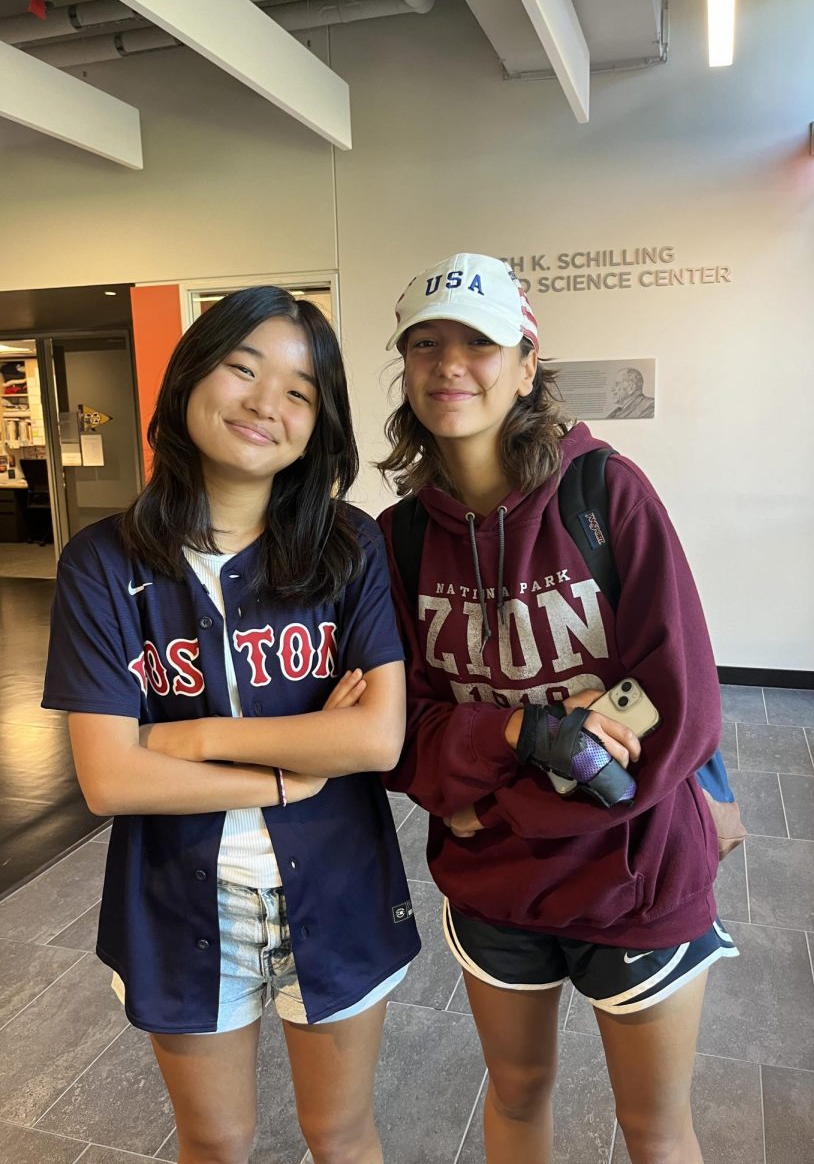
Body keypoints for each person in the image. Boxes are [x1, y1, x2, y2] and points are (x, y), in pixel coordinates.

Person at [43, 286, 420, 1164]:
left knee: (342, 1134)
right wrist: (292, 772)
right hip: (176, 898)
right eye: (242, 368)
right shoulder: (103, 564)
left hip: (339, 885)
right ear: (188, 379)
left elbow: (374, 739)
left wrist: (193, 737)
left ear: (318, 426)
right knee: (215, 1141)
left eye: (298, 391)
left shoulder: (349, 548)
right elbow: (112, 780)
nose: (264, 404)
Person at [376, 253, 736, 1164]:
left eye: (479, 344)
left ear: (526, 364)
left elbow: (679, 700)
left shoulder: (604, 494)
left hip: (635, 871)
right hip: (497, 888)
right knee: (517, 1096)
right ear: (405, 365)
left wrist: (487, 801)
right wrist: (521, 739)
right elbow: (400, 729)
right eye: (426, 343)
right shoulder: (402, 537)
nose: (450, 364)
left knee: (654, 1128)